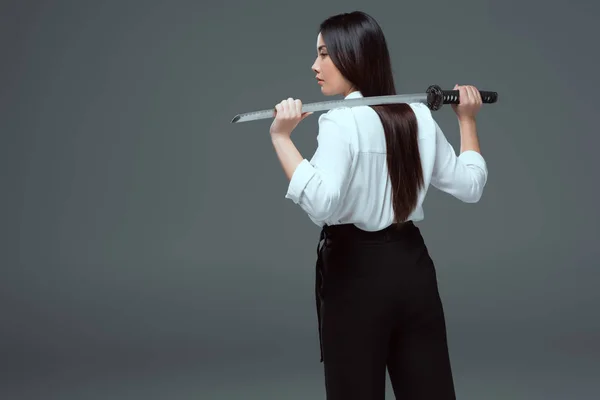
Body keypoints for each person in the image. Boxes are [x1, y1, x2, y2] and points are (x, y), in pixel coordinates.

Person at [268, 10, 488, 400]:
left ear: (352, 55)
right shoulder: (419, 116)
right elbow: (471, 186)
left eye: (324, 54)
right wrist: (467, 121)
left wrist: (282, 138)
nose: (314, 65)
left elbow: (320, 204)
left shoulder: (340, 121)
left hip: (356, 278)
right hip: (414, 271)